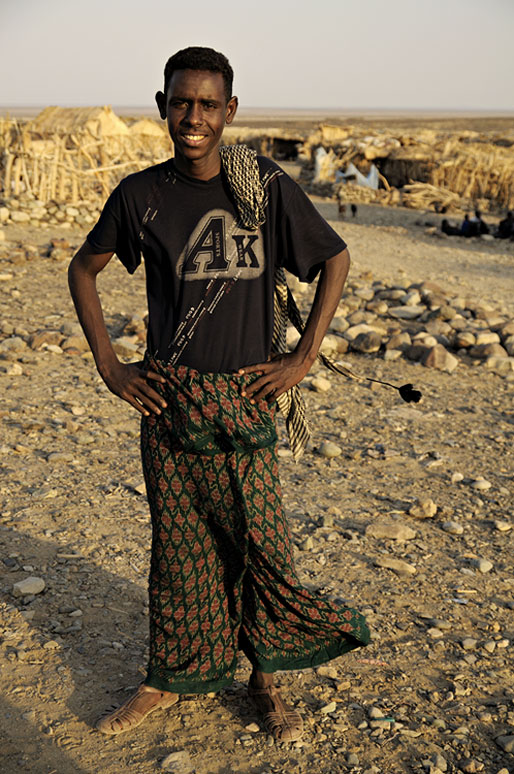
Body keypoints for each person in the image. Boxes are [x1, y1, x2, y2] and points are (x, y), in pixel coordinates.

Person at [68, 45, 369, 743]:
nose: (193, 117)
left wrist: (302, 356)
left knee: (261, 546)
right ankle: (170, 677)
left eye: (208, 104)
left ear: (230, 110)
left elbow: (335, 259)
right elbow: (84, 270)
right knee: (179, 550)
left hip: (246, 399)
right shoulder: (141, 195)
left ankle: (265, 682)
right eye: (181, 102)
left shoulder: (261, 187)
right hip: (169, 402)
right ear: (162, 106)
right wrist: (111, 366)